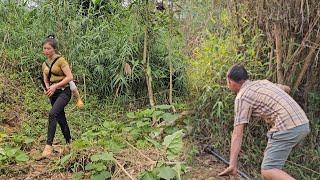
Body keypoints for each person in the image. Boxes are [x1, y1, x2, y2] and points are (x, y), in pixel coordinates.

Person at [219, 64, 310, 179]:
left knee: (268, 169)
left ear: (231, 82)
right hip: (302, 123)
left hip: (287, 126)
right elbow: (287, 88)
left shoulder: (242, 97)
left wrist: (232, 164)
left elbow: (237, 133)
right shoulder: (263, 82)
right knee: (274, 167)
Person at [41, 34, 82, 157]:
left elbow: (70, 77)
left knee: (53, 113)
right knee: (60, 117)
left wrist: (55, 86)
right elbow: (45, 79)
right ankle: (69, 141)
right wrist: (47, 88)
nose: (46, 51)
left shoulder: (61, 60)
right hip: (53, 94)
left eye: (49, 48)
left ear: (54, 49)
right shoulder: (44, 64)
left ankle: (48, 146)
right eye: (44, 48)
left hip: (64, 91)